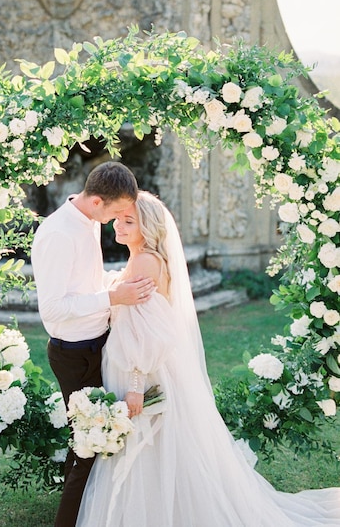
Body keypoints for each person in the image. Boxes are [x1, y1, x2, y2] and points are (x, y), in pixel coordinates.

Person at [76, 191, 340, 527]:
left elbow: (148, 334)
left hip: (142, 372)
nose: (118, 224)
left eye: (130, 220)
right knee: (159, 448)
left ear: (149, 227)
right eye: (119, 217)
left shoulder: (144, 262)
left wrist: (136, 385)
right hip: (145, 367)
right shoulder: (145, 258)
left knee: (147, 445)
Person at [31, 162, 155, 527]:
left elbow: (83, 282)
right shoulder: (59, 234)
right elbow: (54, 307)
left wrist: (115, 281)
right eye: (117, 212)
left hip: (96, 344)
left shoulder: (88, 221)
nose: (119, 220)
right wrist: (113, 297)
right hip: (74, 353)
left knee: (98, 439)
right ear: (98, 200)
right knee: (89, 444)